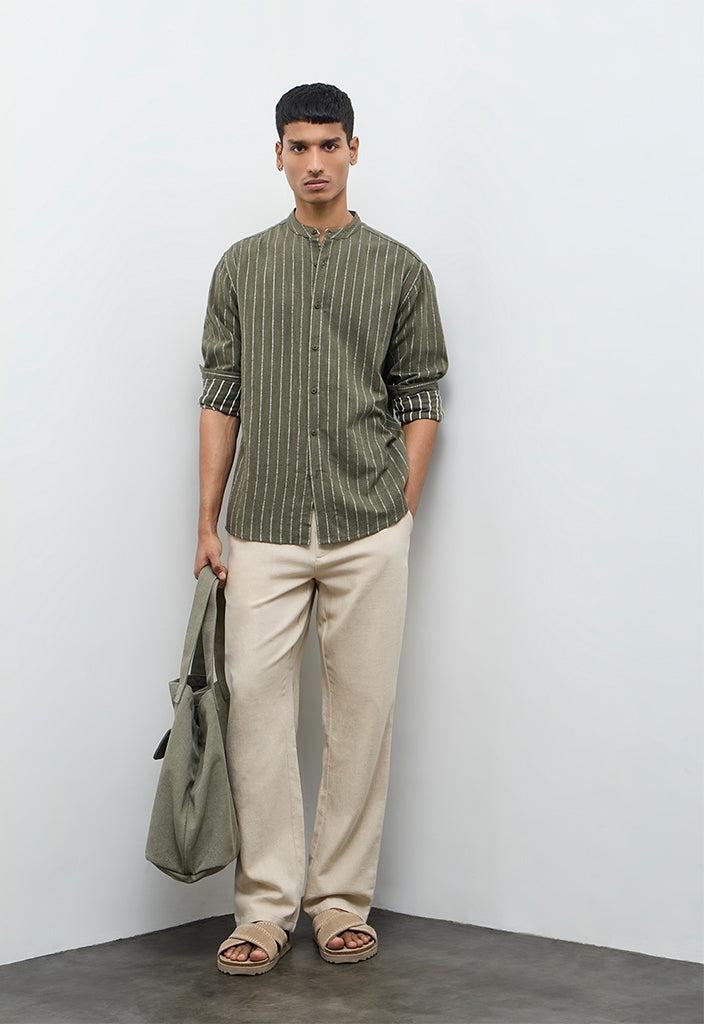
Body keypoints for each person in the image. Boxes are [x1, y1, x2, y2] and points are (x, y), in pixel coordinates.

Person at [194, 82, 449, 975]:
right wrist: (206, 521)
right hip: (262, 526)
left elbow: (421, 396)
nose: (314, 162)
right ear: (278, 154)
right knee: (257, 714)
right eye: (298, 146)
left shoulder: (400, 269)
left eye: (329, 145)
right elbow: (220, 394)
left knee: (362, 715)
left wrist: (400, 507)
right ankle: (263, 910)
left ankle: (340, 900)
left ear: (352, 150)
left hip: (367, 524)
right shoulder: (241, 267)